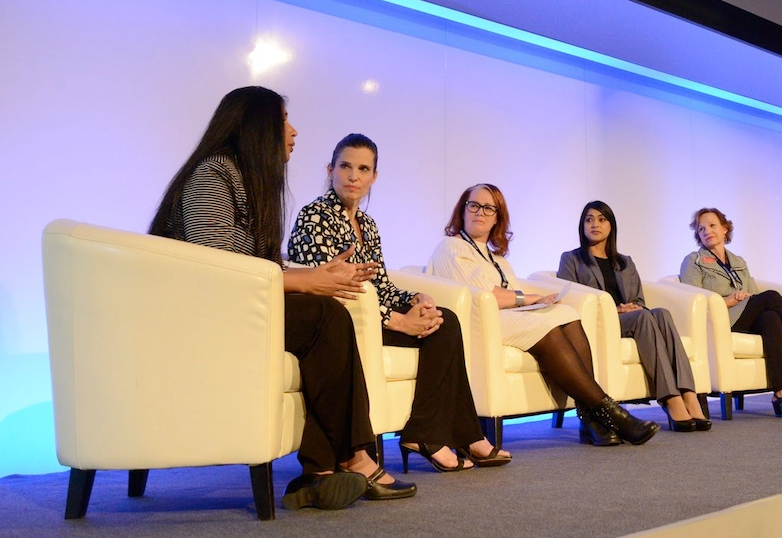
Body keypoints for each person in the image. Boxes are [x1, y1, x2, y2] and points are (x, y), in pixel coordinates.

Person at [148, 87, 416, 511]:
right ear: (256, 127)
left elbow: (256, 264)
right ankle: (352, 458)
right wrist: (306, 280)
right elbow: (219, 263)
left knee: (326, 315)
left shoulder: (249, 179)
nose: (293, 132)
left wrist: (311, 279)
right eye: (284, 121)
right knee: (325, 316)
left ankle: (320, 472)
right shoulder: (213, 174)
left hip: (238, 305)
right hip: (204, 312)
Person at [287, 133, 511, 471]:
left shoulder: (367, 224)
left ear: (374, 176)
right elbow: (336, 288)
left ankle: (433, 433)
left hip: (369, 312)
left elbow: (381, 285)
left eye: (363, 169)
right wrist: (397, 321)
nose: (353, 176)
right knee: (436, 325)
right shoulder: (314, 215)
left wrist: (415, 300)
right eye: (345, 166)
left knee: (443, 318)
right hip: (340, 321)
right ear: (330, 170)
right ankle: (440, 436)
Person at [428, 184, 660, 446]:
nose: (480, 212)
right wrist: (530, 299)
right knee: (544, 325)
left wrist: (536, 302)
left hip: (504, 317)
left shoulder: (499, 260)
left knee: (567, 312)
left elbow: (508, 294)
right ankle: (611, 414)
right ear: (463, 209)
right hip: (479, 323)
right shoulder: (451, 246)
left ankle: (590, 420)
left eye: (488, 208)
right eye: (474, 205)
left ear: (497, 218)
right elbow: (482, 294)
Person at [679, 207, 782, 419]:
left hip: (746, 314)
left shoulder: (739, 262)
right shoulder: (693, 261)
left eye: (712, 225)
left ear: (725, 229)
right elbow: (691, 299)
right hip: (722, 319)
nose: (706, 231)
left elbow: (753, 294)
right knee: (771, 297)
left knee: (772, 318)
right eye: (701, 228)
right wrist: (726, 301)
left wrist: (745, 298)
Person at [558, 201, 710, 432]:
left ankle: (689, 393)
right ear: (582, 226)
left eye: (601, 219)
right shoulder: (572, 259)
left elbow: (639, 301)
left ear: (611, 226)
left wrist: (632, 308)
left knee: (661, 314)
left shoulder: (625, 262)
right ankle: (671, 399)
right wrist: (615, 310)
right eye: (589, 220)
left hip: (629, 319)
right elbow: (569, 300)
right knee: (644, 318)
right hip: (597, 324)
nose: (594, 224)